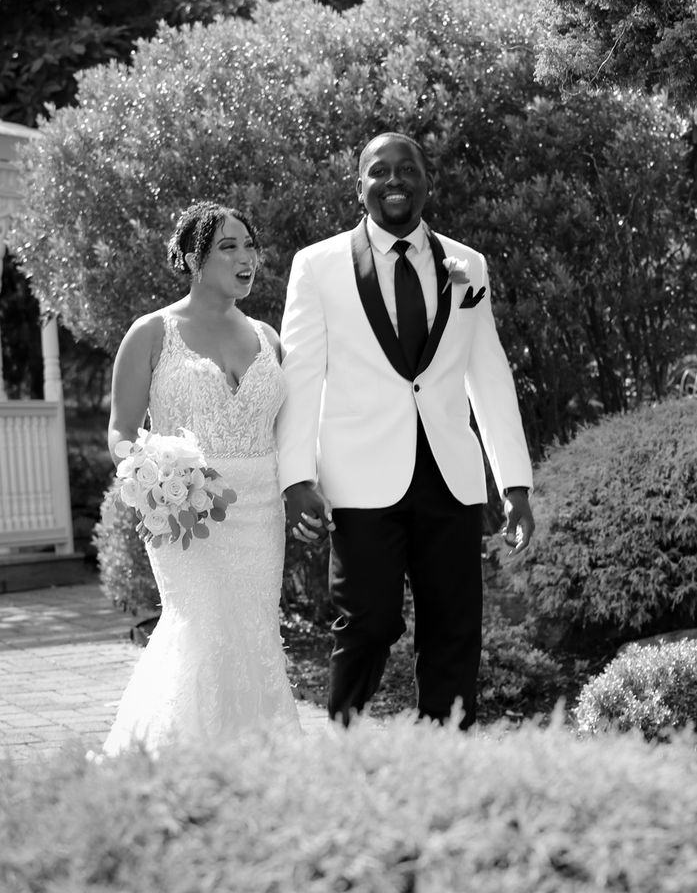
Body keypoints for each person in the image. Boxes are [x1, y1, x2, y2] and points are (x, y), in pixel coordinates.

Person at [277, 131, 535, 729]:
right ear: (359, 187)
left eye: (407, 169)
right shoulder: (317, 266)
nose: (394, 180)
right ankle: (349, 741)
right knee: (367, 622)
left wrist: (514, 484)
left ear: (426, 182)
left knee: (455, 628)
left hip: (450, 479)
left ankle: (447, 753)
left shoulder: (468, 265)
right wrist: (296, 478)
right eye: (379, 171)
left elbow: (489, 375)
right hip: (360, 481)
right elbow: (301, 377)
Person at [101, 201, 300, 755]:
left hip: (261, 516)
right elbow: (120, 431)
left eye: (249, 245)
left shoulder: (269, 338)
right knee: (201, 629)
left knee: (254, 631)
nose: (245, 258)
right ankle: (177, 759)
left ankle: (259, 761)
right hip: (186, 513)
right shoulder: (151, 333)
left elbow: (290, 432)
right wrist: (153, 475)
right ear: (193, 259)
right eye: (227, 247)